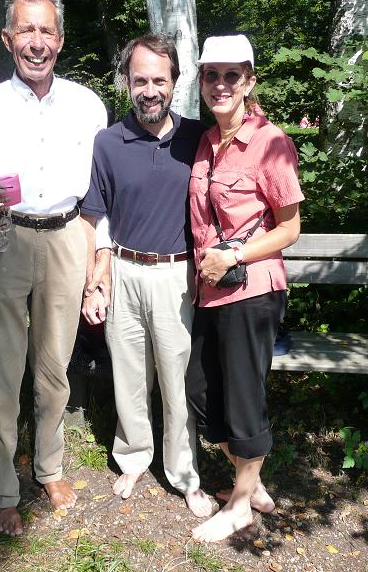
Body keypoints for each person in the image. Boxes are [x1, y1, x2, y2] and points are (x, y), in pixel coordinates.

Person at [0, 0, 108, 536]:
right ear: (8, 39)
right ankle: (0, 488)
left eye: (47, 32)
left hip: (66, 238)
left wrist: (99, 252)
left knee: (55, 368)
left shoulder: (88, 106)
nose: (37, 42)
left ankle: (49, 468)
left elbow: (99, 194)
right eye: (26, 31)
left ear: (61, 40)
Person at [80, 34, 212, 518]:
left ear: (175, 82)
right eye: (140, 80)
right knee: (129, 374)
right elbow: (96, 217)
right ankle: (134, 457)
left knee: (177, 380)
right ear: (126, 82)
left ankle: (184, 473)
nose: (150, 90)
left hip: (177, 275)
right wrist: (98, 278)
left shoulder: (199, 138)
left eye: (160, 80)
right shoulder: (108, 142)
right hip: (124, 270)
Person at [186, 34, 304, 542]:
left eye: (232, 75)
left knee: (243, 396)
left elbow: (290, 228)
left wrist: (234, 255)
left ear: (249, 81)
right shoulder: (205, 141)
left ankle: (239, 506)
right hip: (210, 291)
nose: (221, 84)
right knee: (201, 389)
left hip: (252, 289)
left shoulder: (271, 142)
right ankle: (251, 483)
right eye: (211, 75)